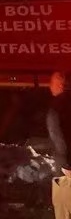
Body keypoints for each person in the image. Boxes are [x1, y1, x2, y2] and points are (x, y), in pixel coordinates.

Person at [47, 71, 71, 218]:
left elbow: (58, 136)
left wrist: (66, 164)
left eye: (52, 83)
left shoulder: (58, 106)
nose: (50, 87)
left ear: (60, 85)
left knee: (63, 209)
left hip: (65, 170)